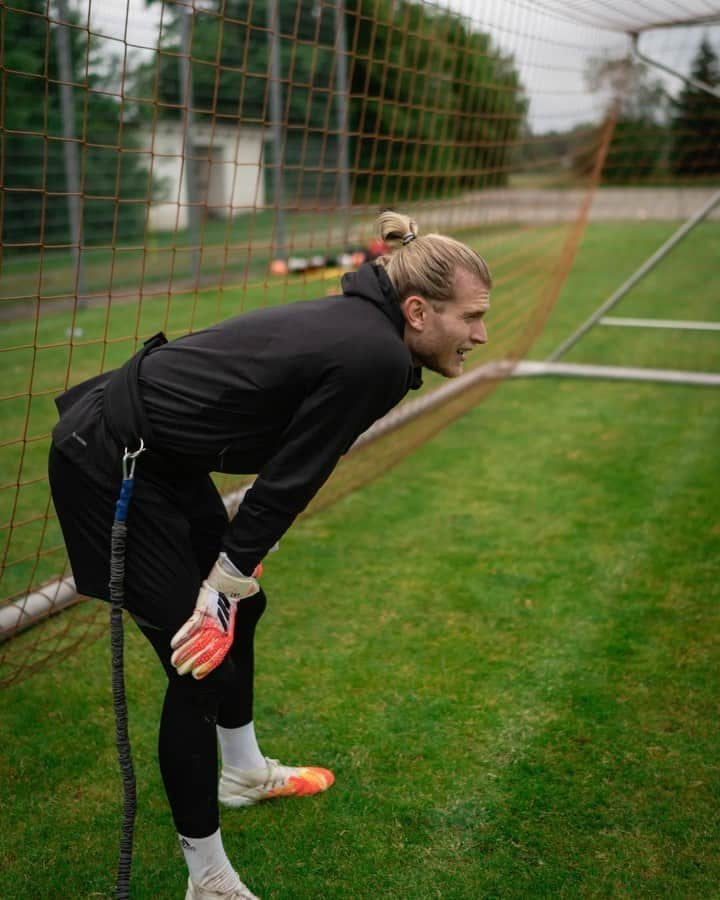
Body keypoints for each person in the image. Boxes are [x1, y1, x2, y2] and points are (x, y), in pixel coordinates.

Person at [48, 210, 492, 899]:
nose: (480, 334)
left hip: (163, 458)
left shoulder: (376, 335)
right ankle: (209, 879)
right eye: (471, 317)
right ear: (416, 310)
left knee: (240, 618)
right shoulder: (373, 353)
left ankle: (243, 772)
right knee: (195, 659)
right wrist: (222, 582)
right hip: (110, 459)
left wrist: (233, 579)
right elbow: (292, 478)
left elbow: (292, 464)